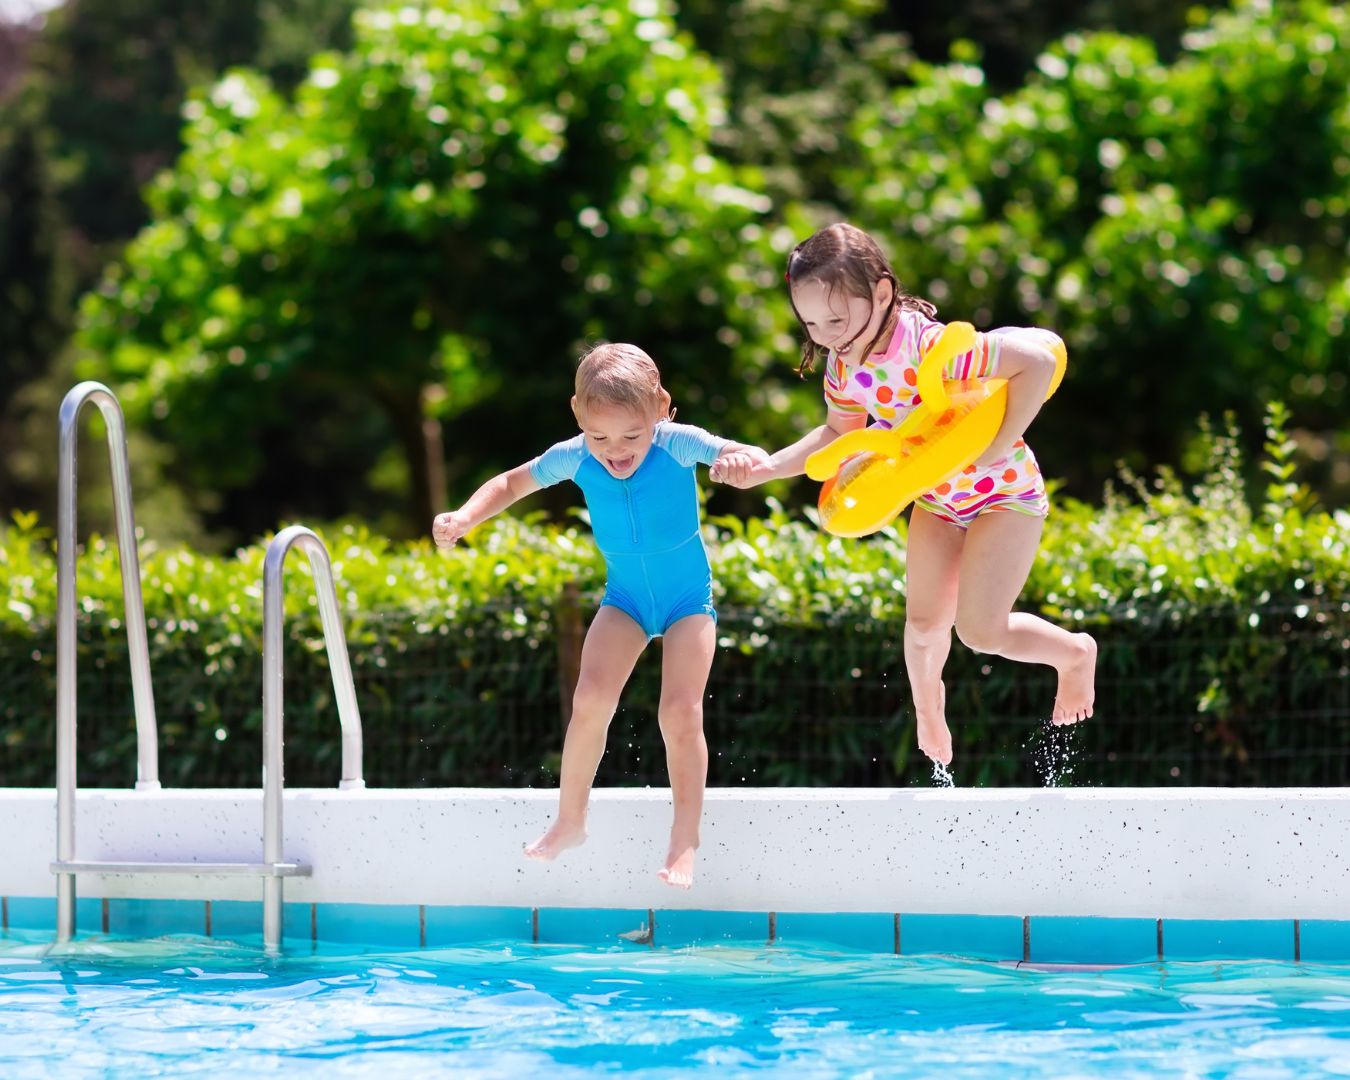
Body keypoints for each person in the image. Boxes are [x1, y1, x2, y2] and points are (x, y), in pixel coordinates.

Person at [725, 222, 1096, 768]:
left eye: (837, 318)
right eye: (811, 322)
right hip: (937, 499)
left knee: (979, 631)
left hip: (1004, 495)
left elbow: (1036, 363)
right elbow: (836, 434)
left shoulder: (931, 350)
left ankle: (1074, 654)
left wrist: (997, 444)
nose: (826, 334)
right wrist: (767, 468)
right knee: (923, 626)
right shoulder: (842, 367)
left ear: (880, 293)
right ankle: (928, 712)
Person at [432, 342, 767, 887]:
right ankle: (570, 821)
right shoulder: (576, 456)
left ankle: (685, 839)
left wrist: (739, 460)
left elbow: (743, 452)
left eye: (632, 435)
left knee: (679, 714)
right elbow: (512, 481)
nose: (615, 450)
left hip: (687, 603)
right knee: (588, 700)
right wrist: (467, 516)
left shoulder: (679, 445)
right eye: (599, 436)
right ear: (578, 417)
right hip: (626, 601)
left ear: (660, 408)